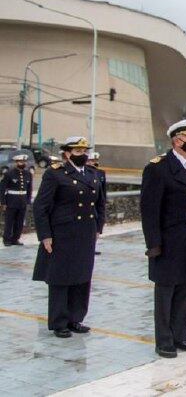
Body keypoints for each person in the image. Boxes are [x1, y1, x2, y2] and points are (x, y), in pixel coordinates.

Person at [140, 119, 186, 358]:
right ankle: (164, 340)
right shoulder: (158, 168)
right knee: (166, 293)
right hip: (169, 242)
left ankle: (181, 336)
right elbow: (149, 211)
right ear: (177, 140)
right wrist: (154, 244)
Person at [32, 136, 105, 337]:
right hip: (62, 233)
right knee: (61, 277)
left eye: (84, 151)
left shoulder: (93, 173)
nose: (82, 155)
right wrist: (45, 235)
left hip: (86, 232)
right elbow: (41, 206)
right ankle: (59, 322)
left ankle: (75, 318)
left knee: (82, 276)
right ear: (67, 153)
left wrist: (98, 227)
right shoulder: (55, 174)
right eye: (78, 152)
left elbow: (100, 202)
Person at [1, 153, 33, 246]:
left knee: (19, 222)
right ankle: (6, 239)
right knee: (9, 221)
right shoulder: (9, 174)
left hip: (22, 201)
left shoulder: (28, 174)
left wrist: (28, 201)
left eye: (23, 161)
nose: (22, 163)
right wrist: (3, 202)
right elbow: (2, 188)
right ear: (16, 162)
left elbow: (29, 188)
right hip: (11, 201)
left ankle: (15, 239)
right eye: (20, 161)